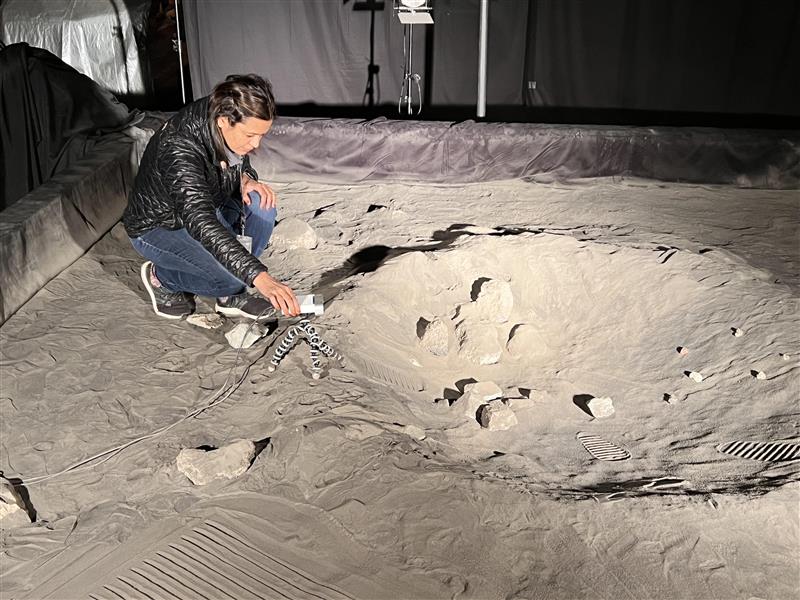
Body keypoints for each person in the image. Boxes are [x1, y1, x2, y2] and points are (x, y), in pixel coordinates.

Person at [122, 74, 300, 320]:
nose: (256, 144)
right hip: (162, 226)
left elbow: (237, 158)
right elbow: (200, 220)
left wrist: (246, 178)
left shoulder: (226, 110)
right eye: (250, 135)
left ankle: (229, 296)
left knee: (262, 205)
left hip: (209, 203)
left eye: (261, 135)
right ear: (223, 121)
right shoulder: (178, 147)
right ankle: (162, 278)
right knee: (236, 277)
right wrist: (258, 276)